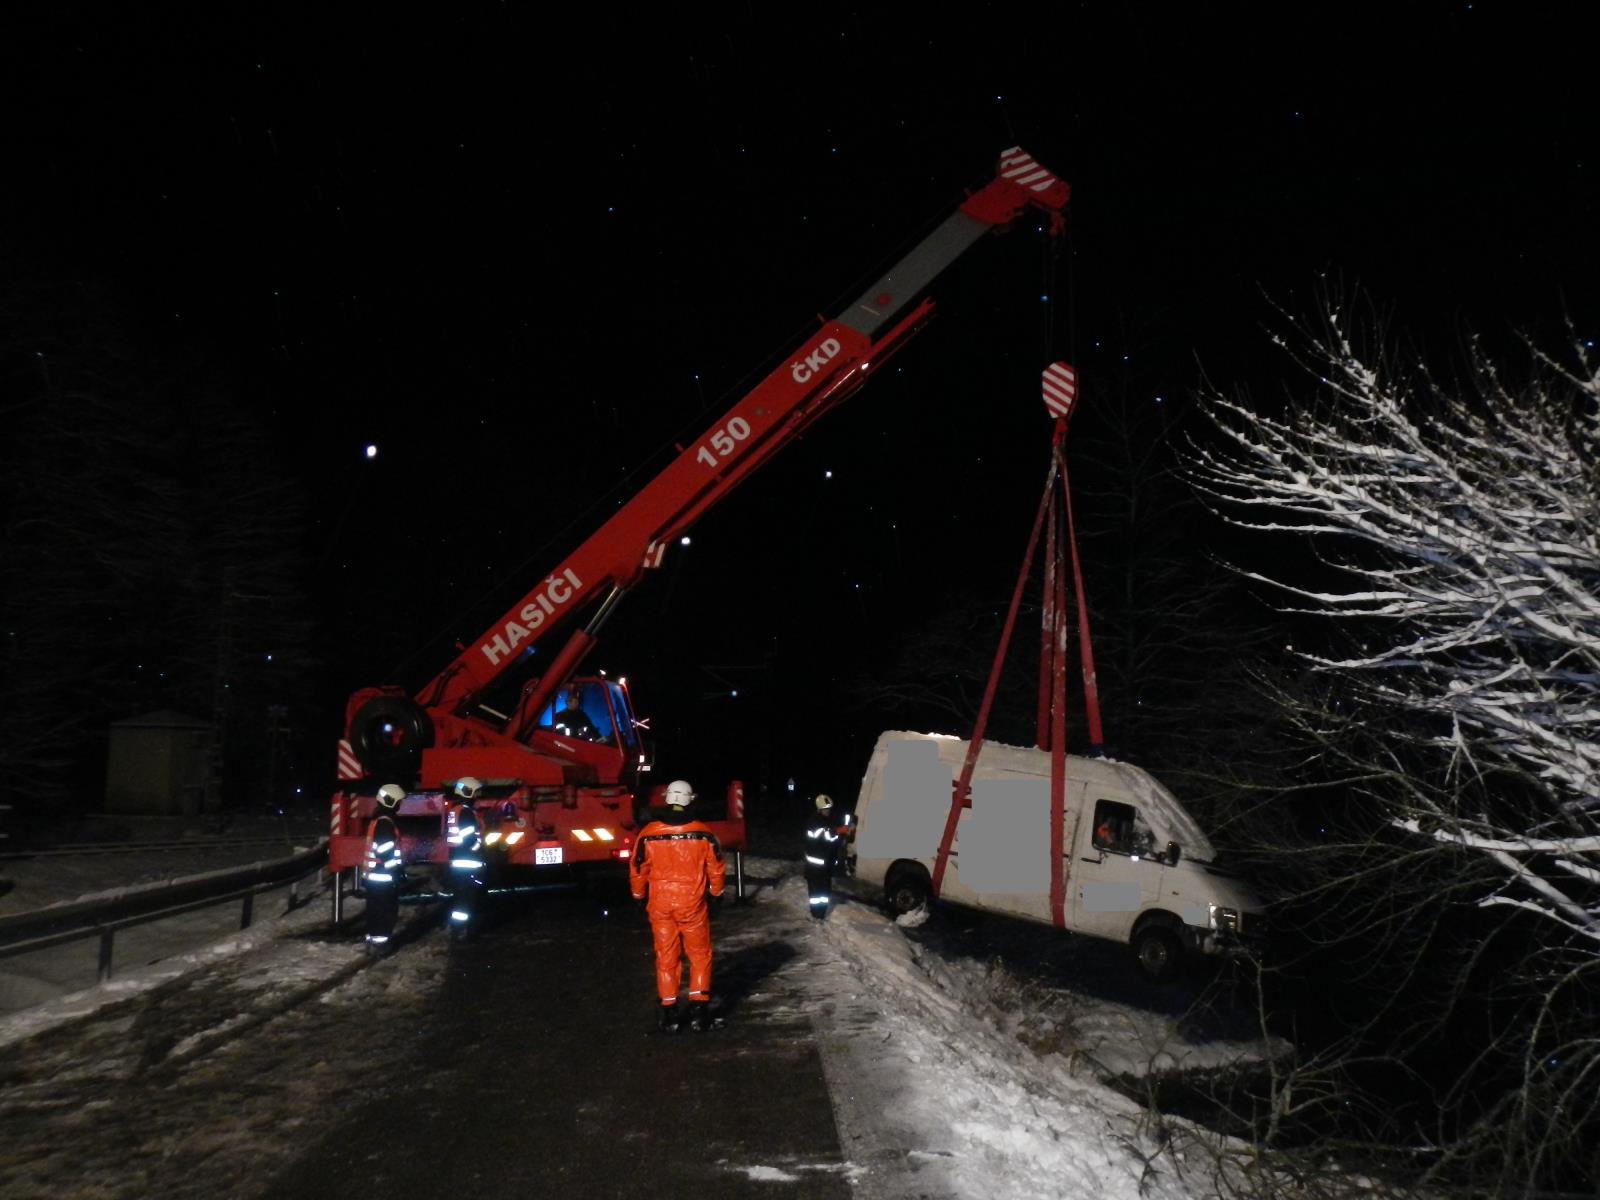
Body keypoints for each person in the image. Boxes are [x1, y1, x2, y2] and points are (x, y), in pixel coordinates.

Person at [629, 779, 726, 1032]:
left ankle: (669, 1012)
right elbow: (715, 868)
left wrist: (639, 896)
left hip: (660, 905)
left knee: (666, 957)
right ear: (690, 799)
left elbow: (638, 868)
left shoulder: (648, 833)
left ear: (667, 798)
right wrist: (716, 895)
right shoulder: (703, 833)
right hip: (692, 904)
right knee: (699, 956)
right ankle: (699, 1010)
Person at [363, 783, 407, 952]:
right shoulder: (385, 823)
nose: (399, 805)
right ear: (391, 801)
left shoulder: (378, 821)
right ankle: (381, 945)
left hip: (374, 876)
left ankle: (373, 940)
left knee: (374, 910)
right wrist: (396, 871)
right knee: (385, 911)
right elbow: (384, 852)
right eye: (398, 802)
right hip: (383, 877)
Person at [447, 776, 487, 938]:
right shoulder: (465, 812)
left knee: (463, 899)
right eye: (476, 792)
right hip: (467, 862)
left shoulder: (457, 810)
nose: (478, 796)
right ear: (468, 792)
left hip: (459, 862)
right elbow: (469, 840)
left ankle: (459, 929)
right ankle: (460, 930)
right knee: (466, 900)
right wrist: (481, 849)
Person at [804, 794, 845, 920]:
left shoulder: (827, 821)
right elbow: (825, 836)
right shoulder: (814, 822)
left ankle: (820, 914)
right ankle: (816, 915)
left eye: (829, 809)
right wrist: (838, 831)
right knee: (816, 894)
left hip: (825, 865)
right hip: (815, 866)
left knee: (824, 892)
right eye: (825, 809)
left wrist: (840, 834)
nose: (828, 811)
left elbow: (832, 839)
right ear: (819, 809)